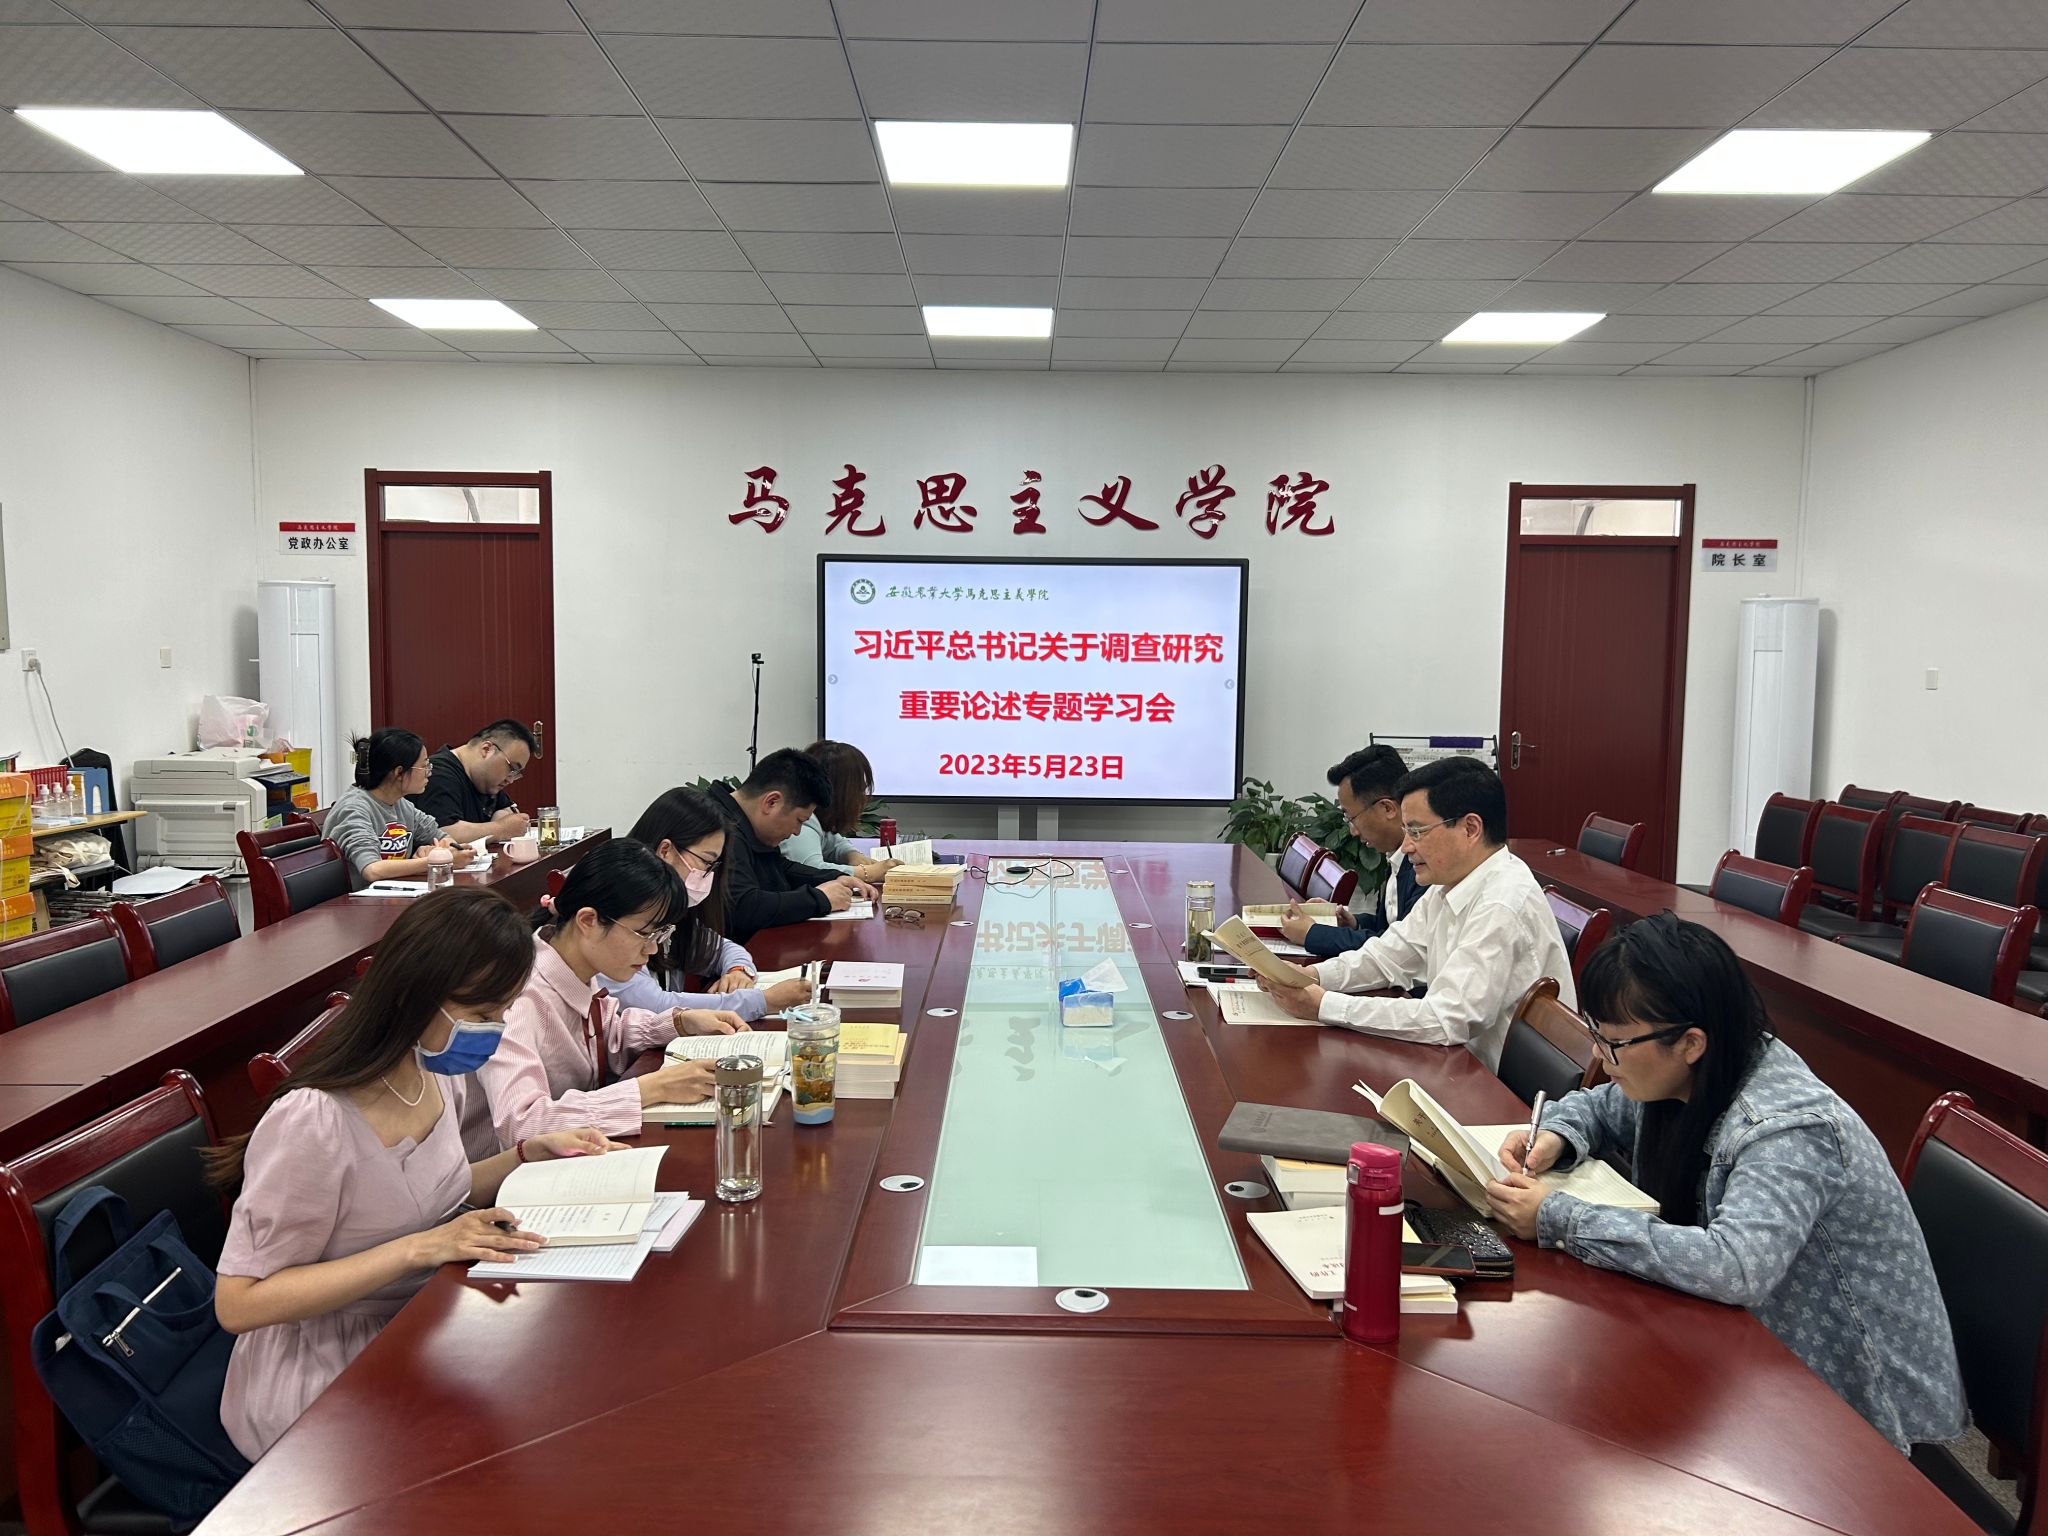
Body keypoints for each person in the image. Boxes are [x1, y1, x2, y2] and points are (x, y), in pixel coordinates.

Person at [1485, 915, 1964, 1453]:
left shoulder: (1785, 1127)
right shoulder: (1694, 1067)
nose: (1600, 1057)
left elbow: (1736, 1266)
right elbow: (1603, 1106)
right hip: (1749, 1354)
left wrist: (1558, 1217)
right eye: (1596, 1034)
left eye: (1614, 1043)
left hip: (1857, 1404)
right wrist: (1557, 1135)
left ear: (1691, 1042)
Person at [208, 888, 622, 1462]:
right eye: (482, 1015)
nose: (496, 1031)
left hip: (420, 1321)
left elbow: (436, 1189)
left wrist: (529, 1154)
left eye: (502, 1013)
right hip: (324, 1375)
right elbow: (239, 1303)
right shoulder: (314, 1120)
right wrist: (420, 1249)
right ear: (414, 995)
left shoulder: (432, 1072)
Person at [1256, 758, 1573, 1070]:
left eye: (1418, 831)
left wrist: (1323, 1005)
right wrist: (1312, 976)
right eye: (1406, 831)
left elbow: (1446, 1019)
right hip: (1457, 1066)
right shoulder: (1449, 884)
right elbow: (1388, 957)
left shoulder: (1501, 904)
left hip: (1498, 1089)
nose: (1406, 846)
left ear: (1470, 828)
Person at [467, 838, 750, 1155]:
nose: (652, 949)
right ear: (588, 920)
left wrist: (680, 1022)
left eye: (661, 934)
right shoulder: (517, 997)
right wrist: (651, 1089)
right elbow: (521, 1126)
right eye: (644, 933)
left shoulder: (575, 966)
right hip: (500, 1178)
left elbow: (606, 1036)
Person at [606, 787, 817, 1023]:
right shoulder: (617, 912)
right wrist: (764, 1001)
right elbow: (655, 1006)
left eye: (713, 865)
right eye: (706, 862)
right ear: (665, 851)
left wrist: (738, 971)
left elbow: (722, 949)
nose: (708, 876)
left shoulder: (671, 913)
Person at [707, 748, 873, 943]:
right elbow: (744, 907)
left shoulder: (747, 824)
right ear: (772, 802)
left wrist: (835, 877)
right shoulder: (716, 828)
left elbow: (779, 867)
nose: (797, 832)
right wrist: (820, 899)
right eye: (799, 820)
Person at [1278, 745, 1422, 957]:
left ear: (1387, 808)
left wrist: (1312, 934)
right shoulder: (1394, 854)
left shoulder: (1424, 866)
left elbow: (1397, 950)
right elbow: (1389, 927)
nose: (1353, 831)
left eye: (1351, 817)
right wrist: (1353, 922)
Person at [324, 728, 473, 887]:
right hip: (355, 898)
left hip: (392, 892)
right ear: (399, 772)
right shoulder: (354, 809)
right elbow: (372, 870)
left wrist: (436, 850)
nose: (429, 772)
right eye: (424, 766)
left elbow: (442, 838)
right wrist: (435, 860)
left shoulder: (402, 804)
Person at [780, 739, 899, 885]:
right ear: (842, 791)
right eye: (859, 788)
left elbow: (834, 842)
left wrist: (851, 854)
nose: (862, 796)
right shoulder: (801, 820)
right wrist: (868, 873)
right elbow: (810, 871)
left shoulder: (819, 817)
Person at [408, 720, 535, 843]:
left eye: (516, 773)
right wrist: (501, 829)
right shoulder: (438, 774)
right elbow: (443, 834)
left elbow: (508, 812)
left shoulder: (485, 781)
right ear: (486, 749)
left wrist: (501, 821)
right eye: (511, 768)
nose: (511, 779)